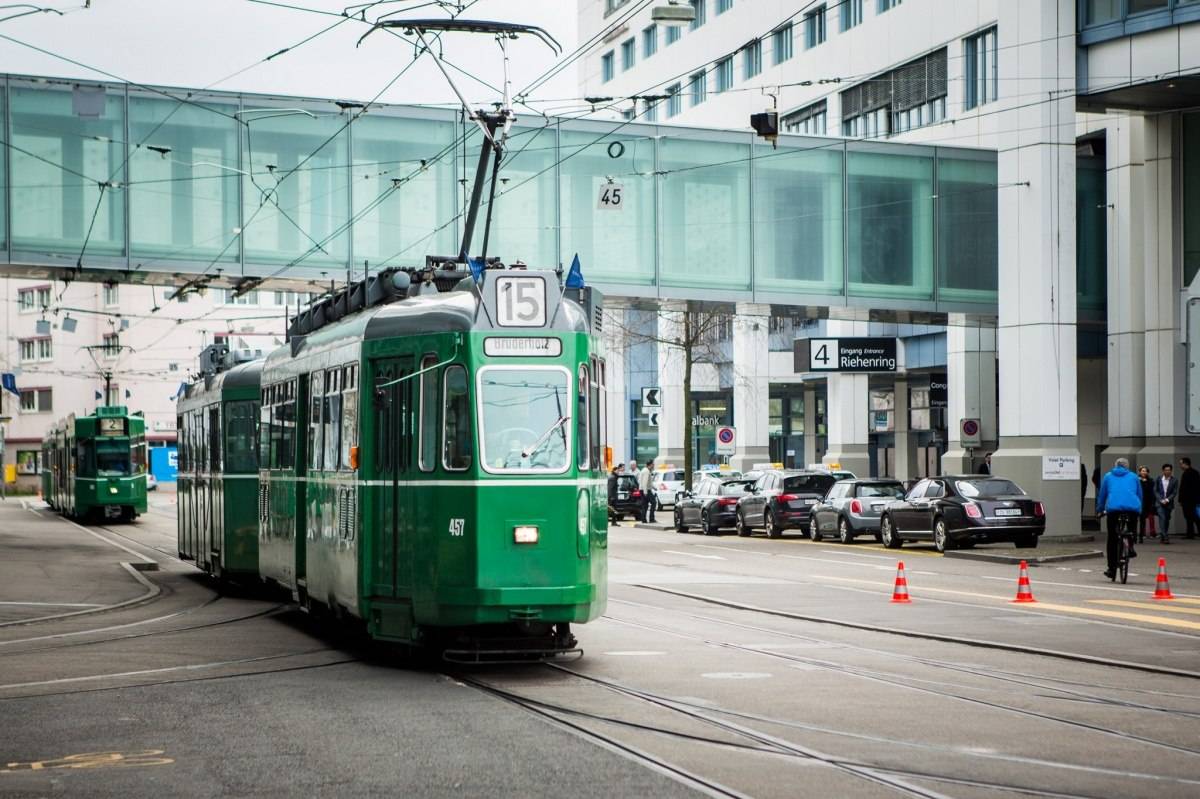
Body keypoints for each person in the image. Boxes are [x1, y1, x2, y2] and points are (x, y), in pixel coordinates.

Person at [1096, 457, 1142, 580]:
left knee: (1112, 538)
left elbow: (1102, 495)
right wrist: (1139, 508)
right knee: (1132, 528)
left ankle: (1111, 569)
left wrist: (1100, 510)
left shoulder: (1108, 476)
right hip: (1132, 508)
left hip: (1113, 509)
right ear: (1127, 466)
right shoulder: (1134, 476)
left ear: (1115, 465)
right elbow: (1139, 494)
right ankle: (1131, 546)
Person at [1155, 463, 1179, 544]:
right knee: (1162, 518)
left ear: (1171, 471)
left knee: (1167, 519)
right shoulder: (1158, 479)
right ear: (1163, 471)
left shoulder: (1175, 480)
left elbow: (1174, 492)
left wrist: (1167, 500)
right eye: (1166, 470)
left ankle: (1162, 535)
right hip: (1159, 503)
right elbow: (1155, 490)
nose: (1167, 471)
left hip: (1168, 503)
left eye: (1169, 470)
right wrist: (1160, 499)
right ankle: (1165, 536)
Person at [1178, 457, 1199, 540]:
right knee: (1191, 517)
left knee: (1191, 517)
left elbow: (1184, 488)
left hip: (1189, 500)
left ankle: (1190, 534)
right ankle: (1190, 534)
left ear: (1185, 463)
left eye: (1181, 463)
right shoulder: (1193, 472)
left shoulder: (1190, 473)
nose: (1180, 465)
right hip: (1189, 500)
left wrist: (1181, 499)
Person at [1137, 465, 1156, 543]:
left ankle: (1142, 535)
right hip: (1139, 501)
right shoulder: (1137, 480)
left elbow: (1152, 492)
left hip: (1147, 502)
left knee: (1143, 519)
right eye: (1142, 471)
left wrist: (1152, 502)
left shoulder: (1151, 481)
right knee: (1138, 519)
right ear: (1140, 472)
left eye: (1145, 471)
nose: (1144, 472)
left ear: (1148, 472)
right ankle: (1138, 535)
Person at [637, 459, 656, 523]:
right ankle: (651, 518)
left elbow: (640, 481)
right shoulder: (646, 472)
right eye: (653, 464)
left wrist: (654, 487)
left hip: (643, 489)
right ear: (650, 465)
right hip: (646, 490)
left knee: (645, 505)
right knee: (654, 502)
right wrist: (645, 492)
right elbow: (645, 482)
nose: (653, 466)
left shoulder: (644, 470)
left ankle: (644, 519)